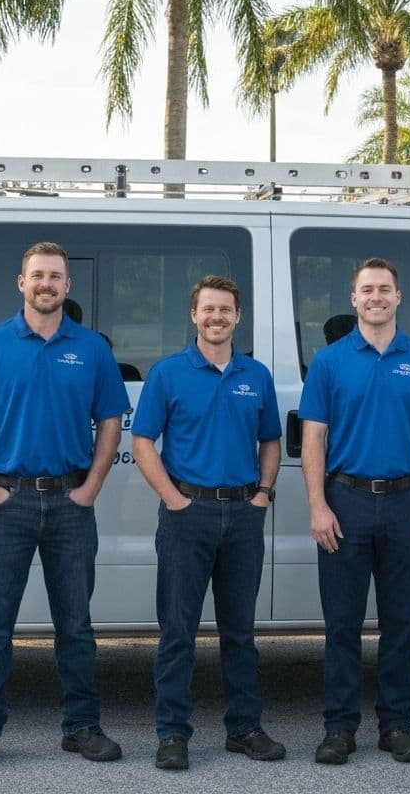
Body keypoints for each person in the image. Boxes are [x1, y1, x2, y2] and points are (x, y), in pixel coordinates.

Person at [0, 242, 130, 771]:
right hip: (8, 504)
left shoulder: (92, 348)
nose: (47, 284)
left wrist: (92, 487)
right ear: (21, 283)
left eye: (56, 276)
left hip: (71, 505)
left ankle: (81, 727)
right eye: (38, 276)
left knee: (75, 626)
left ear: (68, 286)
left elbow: (111, 421)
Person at [299, 258, 410, 765]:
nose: (376, 297)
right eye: (367, 290)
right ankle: (339, 729)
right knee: (342, 625)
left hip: (409, 503)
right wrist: (318, 505)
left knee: (400, 625)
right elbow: (313, 436)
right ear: (354, 298)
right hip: (345, 501)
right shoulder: (330, 361)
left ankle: (396, 726)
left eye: (385, 289)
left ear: (398, 297)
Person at [132, 275, 284, 771]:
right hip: (186, 516)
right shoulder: (168, 373)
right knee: (178, 632)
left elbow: (270, 440)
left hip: (243, 514)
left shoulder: (255, 375)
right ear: (193, 315)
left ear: (238, 317)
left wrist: (263, 493)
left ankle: (244, 728)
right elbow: (143, 441)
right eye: (208, 309)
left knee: (240, 632)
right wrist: (173, 499)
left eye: (226, 310)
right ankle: (172, 735)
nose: (217, 317)